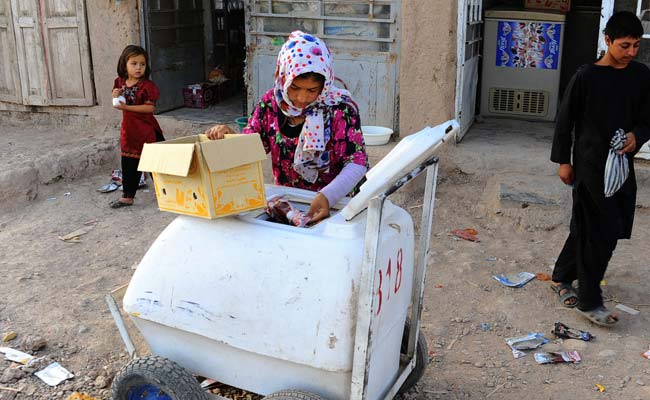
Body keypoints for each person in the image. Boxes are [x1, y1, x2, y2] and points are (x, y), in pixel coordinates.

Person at [550, 11, 650, 326]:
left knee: (592, 223)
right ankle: (589, 300)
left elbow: (648, 118)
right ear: (607, 41)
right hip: (589, 166)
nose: (631, 52)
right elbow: (564, 123)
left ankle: (561, 277)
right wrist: (563, 162)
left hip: (620, 166)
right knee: (600, 231)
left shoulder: (641, 75)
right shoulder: (586, 77)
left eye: (636, 45)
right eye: (624, 45)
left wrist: (637, 136)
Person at [205, 31, 368, 222]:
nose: (302, 98)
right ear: (283, 78)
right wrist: (231, 137)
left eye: (312, 90)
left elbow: (357, 163)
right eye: (295, 88)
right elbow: (252, 148)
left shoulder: (341, 109)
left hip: (337, 203)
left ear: (325, 85)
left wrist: (328, 196)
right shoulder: (270, 105)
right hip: (289, 203)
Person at [110, 45, 165, 208]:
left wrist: (125, 108)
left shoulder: (147, 86)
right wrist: (115, 95)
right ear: (124, 64)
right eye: (134, 63)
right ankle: (127, 197)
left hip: (147, 130)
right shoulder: (120, 82)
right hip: (129, 131)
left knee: (156, 162)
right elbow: (116, 99)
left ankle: (167, 193)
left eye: (142, 64)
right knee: (129, 163)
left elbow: (149, 108)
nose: (138, 68)